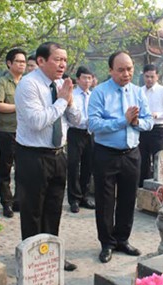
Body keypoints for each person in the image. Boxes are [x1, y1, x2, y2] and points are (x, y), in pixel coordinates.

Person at [14, 42, 80, 271]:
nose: (63, 64)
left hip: (58, 154)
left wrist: (69, 103)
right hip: (33, 156)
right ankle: (32, 261)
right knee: (33, 211)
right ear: (41, 61)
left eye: (65, 59)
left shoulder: (62, 84)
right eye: (57, 59)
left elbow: (79, 120)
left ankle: (52, 255)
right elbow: (37, 122)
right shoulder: (28, 85)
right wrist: (62, 100)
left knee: (53, 209)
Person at [88, 51, 153, 263]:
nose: (126, 73)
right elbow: (94, 124)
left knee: (127, 199)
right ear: (110, 70)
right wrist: (123, 121)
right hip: (106, 153)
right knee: (105, 201)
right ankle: (107, 243)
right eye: (121, 69)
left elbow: (148, 120)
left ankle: (122, 239)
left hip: (131, 153)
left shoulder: (137, 92)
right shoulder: (99, 92)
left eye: (130, 69)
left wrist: (136, 123)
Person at [0, 48, 26, 218]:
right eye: (18, 61)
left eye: (24, 62)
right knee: (5, 168)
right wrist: (19, 107)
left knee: (23, 169)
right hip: (7, 131)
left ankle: (19, 200)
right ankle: (6, 202)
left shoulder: (27, 82)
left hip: (25, 132)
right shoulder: (2, 82)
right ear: (9, 63)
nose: (22, 64)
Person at [138, 64, 163, 187]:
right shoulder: (139, 91)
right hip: (142, 129)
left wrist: (157, 114)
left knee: (159, 159)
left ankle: (161, 187)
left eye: (152, 77)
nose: (149, 79)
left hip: (157, 129)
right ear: (143, 76)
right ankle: (143, 186)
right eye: (147, 76)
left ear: (157, 76)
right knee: (143, 160)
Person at [66, 66, 95, 213]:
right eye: (84, 78)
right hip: (75, 132)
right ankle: (74, 199)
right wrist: (87, 121)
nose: (87, 81)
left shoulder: (93, 96)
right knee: (73, 166)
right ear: (78, 79)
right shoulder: (73, 95)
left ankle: (84, 195)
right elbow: (73, 116)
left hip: (90, 133)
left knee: (88, 166)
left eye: (90, 78)